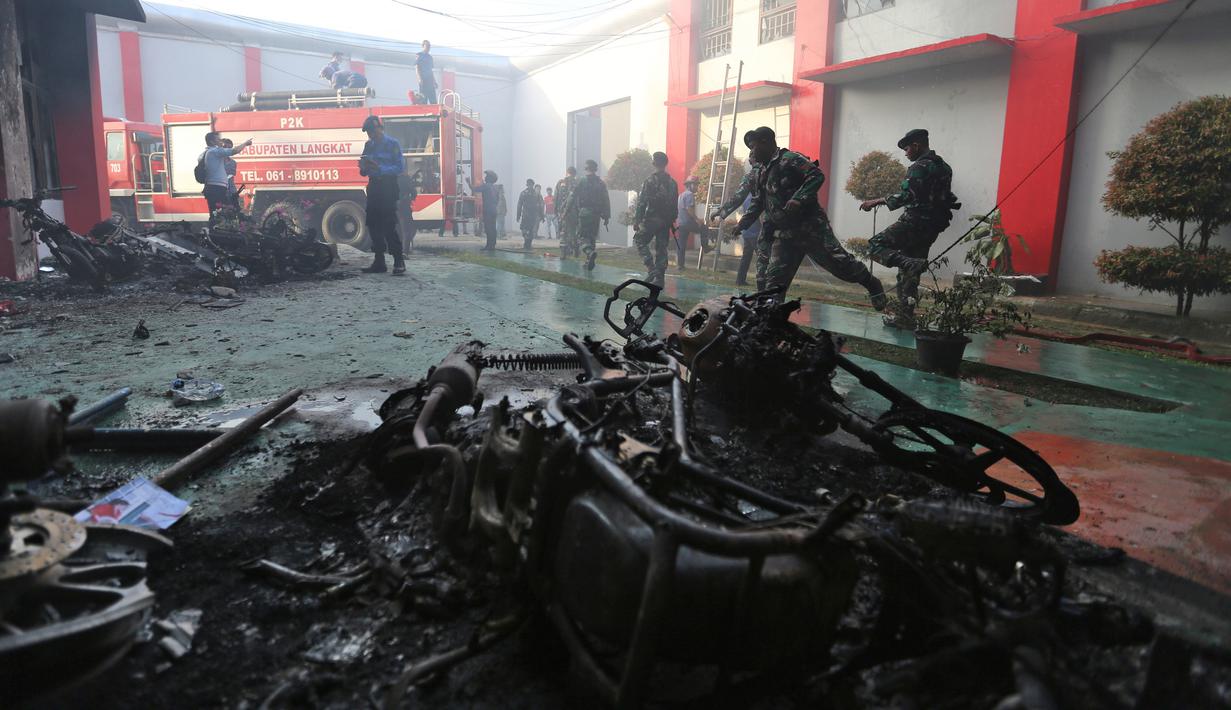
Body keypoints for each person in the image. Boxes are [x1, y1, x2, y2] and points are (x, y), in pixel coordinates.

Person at [737, 126, 886, 308]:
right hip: (785, 236)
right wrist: (743, 223)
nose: (751, 152)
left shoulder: (790, 159)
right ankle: (769, 321)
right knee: (774, 284)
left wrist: (799, 198)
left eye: (753, 147)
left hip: (811, 230)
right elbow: (759, 201)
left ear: (765, 142)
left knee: (842, 266)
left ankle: (872, 283)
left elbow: (816, 175)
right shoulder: (761, 172)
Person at [860, 128, 959, 327]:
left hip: (914, 222)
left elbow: (907, 196)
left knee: (874, 245)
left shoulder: (918, 167)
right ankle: (905, 317)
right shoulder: (944, 167)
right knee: (909, 271)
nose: (906, 153)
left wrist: (875, 201)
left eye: (907, 149)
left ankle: (908, 265)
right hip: (932, 226)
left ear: (916, 145)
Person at [358, 115, 406, 274]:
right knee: (372, 223)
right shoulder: (368, 145)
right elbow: (363, 172)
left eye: (372, 131)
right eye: (368, 133)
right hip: (374, 187)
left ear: (380, 128)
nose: (371, 135)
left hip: (388, 186)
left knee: (388, 224)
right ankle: (379, 261)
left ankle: (399, 261)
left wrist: (380, 169)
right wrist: (364, 168)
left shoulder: (393, 144)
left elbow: (399, 167)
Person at [632, 151, 679, 287]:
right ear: (666, 164)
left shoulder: (649, 181)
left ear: (654, 163)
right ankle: (660, 278)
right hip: (666, 222)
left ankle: (651, 268)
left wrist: (637, 220)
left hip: (652, 219)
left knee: (639, 240)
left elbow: (642, 202)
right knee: (662, 249)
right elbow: (675, 204)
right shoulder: (673, 183)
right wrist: (672, 220)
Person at [561, 159, 609, 270]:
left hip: (585, 212)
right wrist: (606, 216)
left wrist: (565, 211)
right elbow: (606, 200)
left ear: (586, 169)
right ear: (596, 169)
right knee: (592, 237)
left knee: (581, 238)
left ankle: (589, 252)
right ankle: (589, 261)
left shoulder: (581, 181)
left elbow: (571, 197)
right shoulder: (601, 183)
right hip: (596, 214)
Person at [201, 132, 252, 225]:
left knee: (222, 213)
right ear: (212, 142)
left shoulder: (212, 153)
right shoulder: (214, 151)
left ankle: (218, 230)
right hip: (216, 189)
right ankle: (215, 233)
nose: (220, 141)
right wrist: (245, 143)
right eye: (218, 139)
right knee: (219, 214)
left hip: (217, 188)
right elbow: (234, 151)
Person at [675, 177, 704, 270]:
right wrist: (697, 220)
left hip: (680, 223)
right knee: (704, 228)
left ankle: (680, 265)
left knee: (681, 245)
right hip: (688, 222)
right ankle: (706, 246)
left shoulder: (681, 195)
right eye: (695, 185)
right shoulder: (690, 194)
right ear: (689, 185)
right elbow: (689, 209)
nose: (696, 187)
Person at [472, 170, 500, 251]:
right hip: (494, 210)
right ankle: (492, 245)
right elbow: (497, 200)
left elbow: (475, 189)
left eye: (487, 176)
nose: (485, 177)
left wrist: (468, 182)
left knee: (488, 228)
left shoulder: (486, 186)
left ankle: (489, 246)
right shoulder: (495, 188)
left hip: (488, 210)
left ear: (490, 178)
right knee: (493, 228)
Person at [555, 167, 579, 258]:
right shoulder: (578, 183)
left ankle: (563, 252)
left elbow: (556, 197)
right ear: (575, 174)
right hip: (574, 212)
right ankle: (575, 248)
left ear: (567, 173)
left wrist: (556, 210)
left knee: (563, 231)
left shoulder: (560, 182)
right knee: (573, 231)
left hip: (562, 211)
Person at [398, 169, 423, 252]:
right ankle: (404, 251)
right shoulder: (405, 179)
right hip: (403, 207)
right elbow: (413, 192)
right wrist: (410, 199)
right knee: (406, 230)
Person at [516, 178, 543, 250]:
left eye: (531, 184)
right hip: (525, 214)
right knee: (524, 229)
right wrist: (518, 215)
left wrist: (542, 216)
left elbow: (540, 205)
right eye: (529, 184)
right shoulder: (523, 193)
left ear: (533, 185)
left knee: (531, 230)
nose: (530, 186)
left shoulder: (536, 194)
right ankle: (526, 242)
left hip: (533, 215)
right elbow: (519, 204)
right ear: (527, 185)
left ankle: (528, 244)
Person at [220, 138, 240, 210]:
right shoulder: (216, 161)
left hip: (232, 192)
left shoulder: (233, 162)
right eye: (225, 147)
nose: (227, 150)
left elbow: (231, 177)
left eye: (229, 148)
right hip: (220, 192)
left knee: (235, 212)